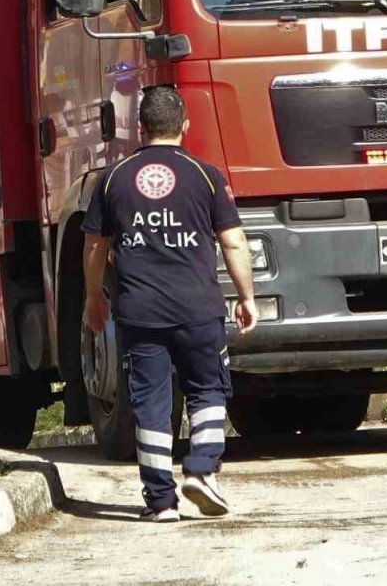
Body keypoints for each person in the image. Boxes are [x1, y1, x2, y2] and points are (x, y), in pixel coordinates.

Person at [82, 85, 257, 523]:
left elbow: (94, 248)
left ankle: (160, 502)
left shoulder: (113, 178)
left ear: (140, 128)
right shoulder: (206, 175)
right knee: (208, 389)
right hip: (198, 308)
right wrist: (246, 296)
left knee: (151, 402)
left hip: (139, 312)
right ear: (185, 127)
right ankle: (201, 469)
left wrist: (92, 299)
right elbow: (233, 242)